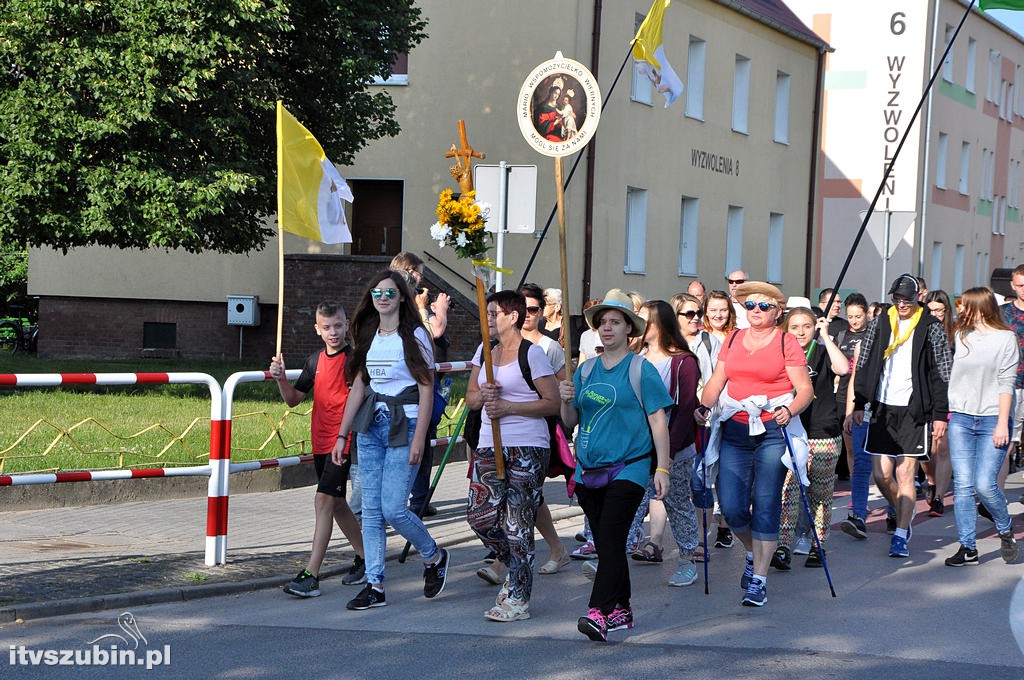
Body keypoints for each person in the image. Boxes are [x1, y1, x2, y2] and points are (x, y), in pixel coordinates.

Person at [559, 289, 673, 641]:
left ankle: (599, 611)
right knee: (610, 542)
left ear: (628, 329)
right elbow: (570, 421)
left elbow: (658, 421)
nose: (607, 329)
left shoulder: (642, 370)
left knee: (609, 538)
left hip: (631, 467)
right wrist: (565, 400)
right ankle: (622, 608)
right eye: (602, 323)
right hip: (589, 469)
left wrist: (662, 468)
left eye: (614, 322)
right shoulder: (586, 370)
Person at [333, 270, 450, 610]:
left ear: (401, 297)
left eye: (389, 292)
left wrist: (420, 439)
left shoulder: (415, 335)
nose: (382, 298)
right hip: (371, 426)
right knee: (370, 511)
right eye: (377, 293)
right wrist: (343, 434)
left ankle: (434, 556)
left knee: (394, 508)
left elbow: (427, 388)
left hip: (407, 425)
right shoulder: (367, 335)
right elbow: (359, 386)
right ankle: (375, 585)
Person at [697, 281, 813, 607]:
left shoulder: (786, 342)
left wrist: (788, 410)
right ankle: (751, 551)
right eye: (750, 306)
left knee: (765, 502)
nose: (756, 312)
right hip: (734, 430)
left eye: (763, 307)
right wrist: (704, 406)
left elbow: (804, 390)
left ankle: (759, 580)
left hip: (772, 431)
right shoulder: (733, 338)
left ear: (777, 312)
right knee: (732, 508)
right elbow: (717, 381)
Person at [465, 291, 560, 621]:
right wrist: (484, 396)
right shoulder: (485, 352)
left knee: (518, 523)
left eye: (495, 313)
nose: (488, 318)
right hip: (489, 444)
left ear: (514, 317)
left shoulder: (531, 354)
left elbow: (552, 403)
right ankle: (514, 563)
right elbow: (471, 398)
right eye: (487, 313)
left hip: (527, 445)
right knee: (480, 516)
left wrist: (510, 406)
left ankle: (518, 598)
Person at [849, 273, 952, 559]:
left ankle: (901, 533)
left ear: (918, 297)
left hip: (913, 409)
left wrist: (940, 414)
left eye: (908, 299)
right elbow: (866, 361)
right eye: (898, 299)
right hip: (882, 407)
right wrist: (858, 402)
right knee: (881, 475)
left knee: (905, 472)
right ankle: (902, 508)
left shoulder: (930, 326)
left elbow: (942, 372)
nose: (902, 304)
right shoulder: (881, 322)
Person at [271, 301, 366, 597]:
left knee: (323, 502)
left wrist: (343, 437)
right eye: (326, 327)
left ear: (346, 324)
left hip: (343, 441)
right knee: (337, 504)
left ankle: (312, 574)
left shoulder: (354, 360)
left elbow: (359, 398)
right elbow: (293, 399)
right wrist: (281, 379)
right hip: (321, 442)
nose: (333, 332)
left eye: (338, 325)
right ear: (317, 330)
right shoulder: (315, 361)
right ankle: (367, 558)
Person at [943, 287, 1020, 567]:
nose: (961, 310)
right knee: (963, 486)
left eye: (966, 306)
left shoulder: (1005, 338)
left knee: (985, 485)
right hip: (961, 418)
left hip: (992, 419)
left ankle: (1004, 527)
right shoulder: (961, 336)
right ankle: (968, 548)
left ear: (982, 308)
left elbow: (1006, 382)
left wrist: (1002, 423)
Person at [628, 300, 701, 587]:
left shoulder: (683, 361)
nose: (640, 325)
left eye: (645, 320)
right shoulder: (635, 359)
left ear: (660, 325)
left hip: (675, 451)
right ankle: (611, 560)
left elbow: (684, 411)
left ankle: (687, 560)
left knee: (678, 503)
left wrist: (667, 456)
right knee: (631, 503)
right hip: (638, 450)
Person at [772, 308, 848, 570]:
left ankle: (818, 544)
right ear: (786, 329)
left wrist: (826, 337)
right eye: (795, 327)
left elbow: (843, 368)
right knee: (789, 492)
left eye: (807, 326)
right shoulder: (782, 352)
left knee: (821, 493)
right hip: (792, 432)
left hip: (823, 432)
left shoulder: (822, 349)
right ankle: (783, 545)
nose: (801, 332)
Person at [391, 252, 450, 518]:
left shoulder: (415, 304)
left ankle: (418, 502)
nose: (421, 280)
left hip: (420, 389)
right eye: (418, 275)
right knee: (412, 448)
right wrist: (438, 311)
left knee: (423, 447)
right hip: (403, 392)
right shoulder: (406, 306)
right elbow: (433, 332)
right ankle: (409, 503)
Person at [671, 292, 726, 555]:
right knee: (675, 481)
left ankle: (701, 539)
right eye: (689, 314)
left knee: (701, 478)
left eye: (697, 313)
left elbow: (718, 378)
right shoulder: (668, 343)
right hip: (675, 419)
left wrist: (706, 407)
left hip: (705, 419)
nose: (696, 318)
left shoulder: (709, 341)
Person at [837, 293, 872, 540]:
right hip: (844, 396)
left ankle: (892, 509)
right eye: (850, 316)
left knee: (874, 462)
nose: (854, 320)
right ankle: (857, 504)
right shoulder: (843, 335)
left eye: (858, 316)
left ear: (867, 314)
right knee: (854, 455)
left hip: (867, 402)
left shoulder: (872, 337)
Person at [922, 290, 955, 517]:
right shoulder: (922, 332)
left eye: (939, 311)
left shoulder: (956, 335)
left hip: (950, 398)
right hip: (925, 398)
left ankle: (939, 497)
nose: (935, 315)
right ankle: (932, 482)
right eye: (931, 310)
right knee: (927, 451)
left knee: (942, 448)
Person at [999, 264, 1024, 498]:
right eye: (1020, 285)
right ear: (1012, 286)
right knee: (1005, 441)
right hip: (1011, 384)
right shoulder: (1003, 313)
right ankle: (996, 495)